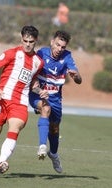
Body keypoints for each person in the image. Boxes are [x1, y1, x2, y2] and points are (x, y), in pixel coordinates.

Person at [0, 25, 48, 174]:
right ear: (21, 39)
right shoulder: (11, 53)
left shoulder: (38, 62)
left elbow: (33, 82)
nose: (28, 44)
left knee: (14, 128)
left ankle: (1, 162)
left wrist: (40, 90)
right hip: (1, 99)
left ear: (36, 41)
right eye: (25, 40)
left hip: (20, 102)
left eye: (31, 41)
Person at [29, 30, 82, 173]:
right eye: (57, 45)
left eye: (63, 47)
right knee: (45, 109)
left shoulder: (68, 57)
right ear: (52, 42)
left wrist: (75, 76)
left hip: (56, 99)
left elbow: (79, 81)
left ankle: (53, 154)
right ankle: (41, 146)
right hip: (38, 95)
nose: (59, 49)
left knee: (55, 129)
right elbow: (31, 74)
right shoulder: (41, 54)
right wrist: (36, 87)